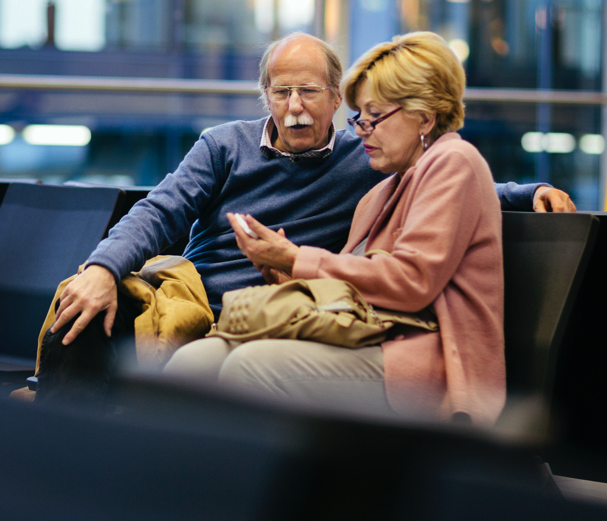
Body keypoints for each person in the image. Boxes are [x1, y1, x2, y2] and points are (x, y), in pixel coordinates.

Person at [50, 32, 574, 360]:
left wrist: (531, 191)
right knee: (88, 301)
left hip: (284, 313)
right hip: (199, 303)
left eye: (310, 92)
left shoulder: (366, 156)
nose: (295, 107)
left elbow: (445, 178)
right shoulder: (223, 146)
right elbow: (160, 212)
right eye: (281, 93)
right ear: (266, 97)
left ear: (335, 97)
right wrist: (102, 268)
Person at [165, 31, 505, 424]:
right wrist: (282, 271)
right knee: (192, 364)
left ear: (425, 118)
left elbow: (411, 281)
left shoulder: (453, 162)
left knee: (250, 366)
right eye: (360, 118)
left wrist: (297, 259)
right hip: (366, 336)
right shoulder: (378, 191)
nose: (361, 131)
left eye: (374, 117)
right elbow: (346, 291)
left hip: (424, 360)